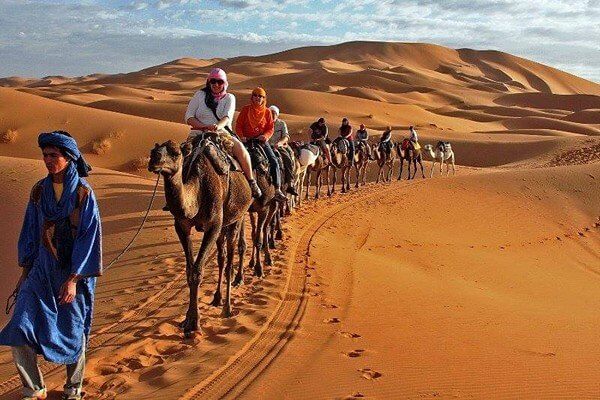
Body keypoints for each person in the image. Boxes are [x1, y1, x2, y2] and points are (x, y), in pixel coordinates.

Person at [0, 131, 102, 400]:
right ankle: (33, 388)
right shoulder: (38, 190)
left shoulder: (83, 193)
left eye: (53, 155)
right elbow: (30, 230)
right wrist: (25, 271)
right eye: (44, 155)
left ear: (68, 157)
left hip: (73, 272)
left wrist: (73, 278)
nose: (47, 160)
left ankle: (74, 388)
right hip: (40, 270)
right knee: (20, 325)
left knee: (74, 329)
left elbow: (88, 237)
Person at [184, 68, 261, 198]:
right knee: (180, 157)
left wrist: (216, 127)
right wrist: (203, 127)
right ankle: (175, 193)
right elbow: (189, 117)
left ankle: (251, 182)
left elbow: (227, 117)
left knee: (242, 151)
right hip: (198, 133)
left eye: (219, 82)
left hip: (221, 133)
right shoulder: (199, 95)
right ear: (208, 82)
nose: (216, 85)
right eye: (213, 81)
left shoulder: (229, 97)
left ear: (224, 83)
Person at [235, 87, 287, 202]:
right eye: (256, 95)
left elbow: (270, 128)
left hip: (261, 141)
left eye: (261, 96)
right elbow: (238, 125)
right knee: (234, 161)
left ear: (264, 99)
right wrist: (241, 136)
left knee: (274, 160)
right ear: (252, 97)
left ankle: (277, 189)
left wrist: (265, 136)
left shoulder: (267, 112)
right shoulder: (245, 110)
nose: (258, 98)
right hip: (246, 141)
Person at [268, 105, 298, 196]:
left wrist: (280, 143)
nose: (272, 115)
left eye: (273, 113)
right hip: (267, 146)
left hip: (279, 146)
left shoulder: (281, 124)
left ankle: (290, 183)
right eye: (270, 113)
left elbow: (286, 136)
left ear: (277, 115)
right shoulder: (265, 123)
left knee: (287, 159)